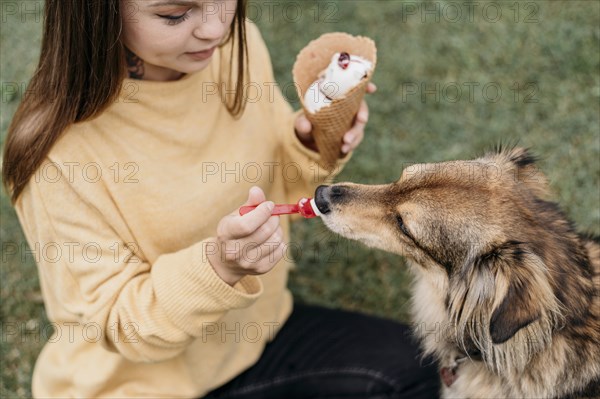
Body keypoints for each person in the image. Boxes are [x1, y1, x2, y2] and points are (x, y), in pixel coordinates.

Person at [2, 0, 440, 397]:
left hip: (257, 341)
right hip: (137, 385)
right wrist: (219, 266)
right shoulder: (57, 156)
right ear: (95, 14)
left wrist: (309, 142)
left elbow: (275, 179)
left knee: (424, 373)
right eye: (175, 15)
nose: (214, 28)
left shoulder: (234, 47)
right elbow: (122, 326)